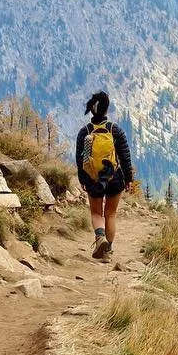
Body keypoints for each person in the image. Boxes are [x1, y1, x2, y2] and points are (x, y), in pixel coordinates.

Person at [76, 90, 133, 261]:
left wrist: (82, 179)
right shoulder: (116, 131)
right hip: (114, 177)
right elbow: (124, 156)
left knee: (96, 213)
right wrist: (128, 178)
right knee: (110, 214)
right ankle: (107, 252)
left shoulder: (84, 131)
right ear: (107, 110)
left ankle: (99, 238)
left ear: (92, 109)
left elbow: (80, 159)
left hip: (93, 178)